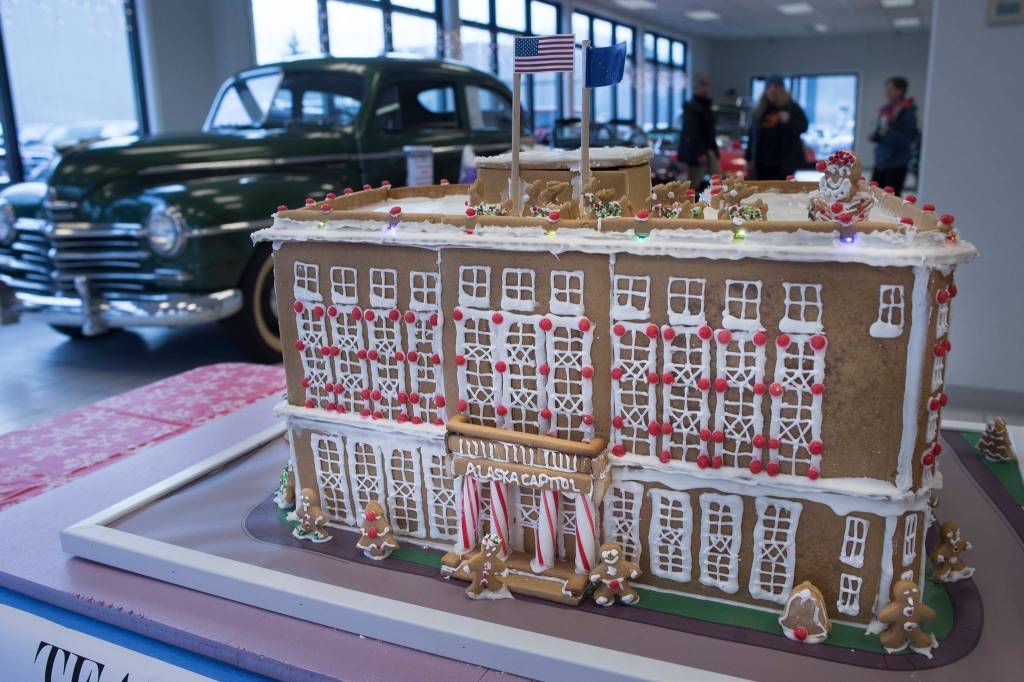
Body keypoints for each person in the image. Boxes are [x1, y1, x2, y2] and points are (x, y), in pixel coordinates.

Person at [746, 76, 808, 180]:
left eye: (776, 87)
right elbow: (752, 136)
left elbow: (804, 127)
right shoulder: (759, 110)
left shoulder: (792, 107)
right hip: (761, 163)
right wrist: (749, 159)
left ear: (782, 90)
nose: (772, 90)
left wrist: (789, 120)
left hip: (784, 163)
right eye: (769, 87)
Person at [869, 77, 919, 196]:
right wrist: (875, 136)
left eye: (890, 89)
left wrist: (889, 132)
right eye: (886, 89)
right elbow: (880, 131)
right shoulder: (885, 109)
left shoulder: (907, 111)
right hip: (880, 161)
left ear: (900, 90)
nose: (887, 92)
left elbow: (910, 137)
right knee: (874, 196)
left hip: (896, 163)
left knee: (892, 200)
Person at [681, 73, 719, 190]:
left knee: (717, 180)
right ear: (695, 87)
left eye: (706, 85)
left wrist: (714, 149)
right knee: (693, 184)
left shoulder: (707, 105)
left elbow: (710, 130)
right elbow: (691, 133)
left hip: (707, 149)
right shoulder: (692, 106)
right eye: (701, 85)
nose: (704, 88)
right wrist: (699, 153)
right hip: (696, 152)